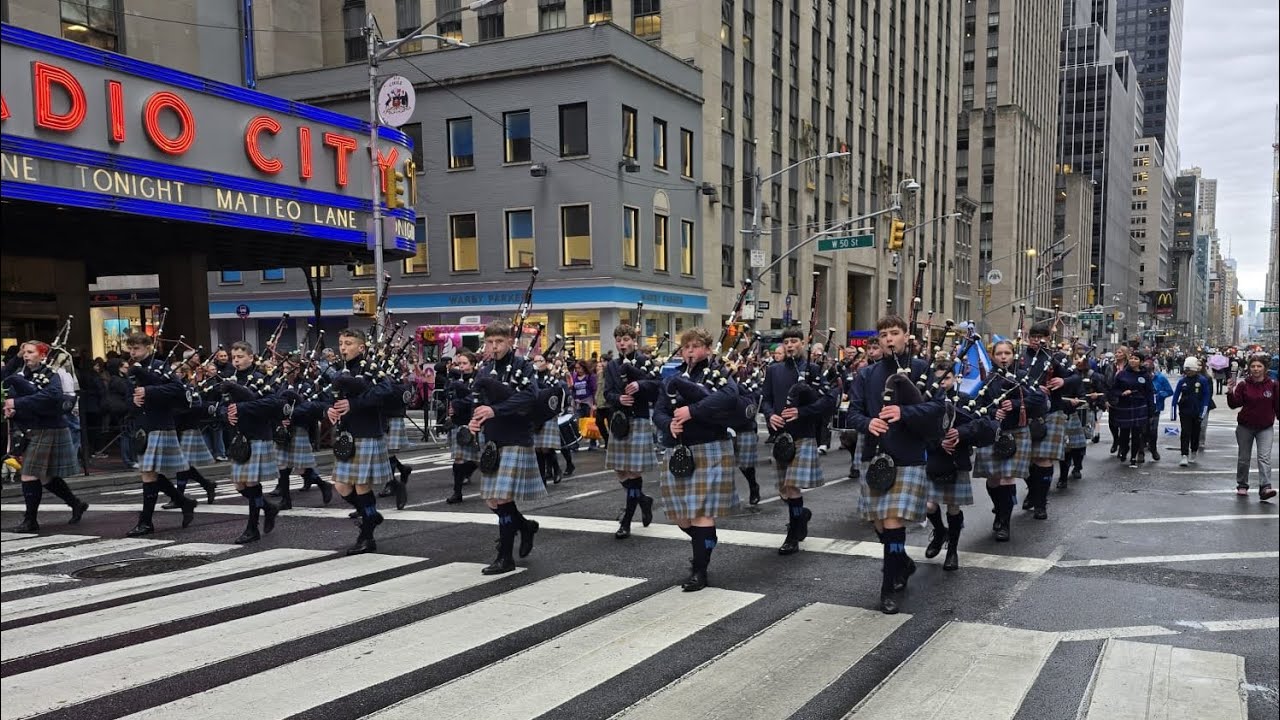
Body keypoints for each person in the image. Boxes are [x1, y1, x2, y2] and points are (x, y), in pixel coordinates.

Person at [846, 316, 947, 614]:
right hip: (875, 456)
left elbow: (938, 408)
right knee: (879, 523)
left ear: (906, 336)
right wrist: (868, 423)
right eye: (883, 334)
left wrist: (904, 412)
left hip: (908, 454)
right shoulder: (867, 374)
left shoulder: (922, 369)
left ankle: (888, 587)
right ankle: (901, 562)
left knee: (892, 522)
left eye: (894, 333)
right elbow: (852, 413)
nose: (889, 339)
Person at [652, 327, 740, 591]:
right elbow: (659, 411)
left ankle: (699, 571)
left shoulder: (718, 373)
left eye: (695, 346)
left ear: (708, 349)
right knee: (682, 518)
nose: (689, 351)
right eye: (686, 347)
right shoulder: (673, 377)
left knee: (701, 514)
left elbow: (729, 397)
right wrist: (668, 424)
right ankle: (706, 541)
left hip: (709, 447)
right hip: (678, 450)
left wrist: (692, 411)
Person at [468, 321, 543, 575]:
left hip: (515, 436)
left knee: (502, 497)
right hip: (492, 438)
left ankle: (505, 557)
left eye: (499, 341)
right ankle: (525, 526)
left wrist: (495, 410)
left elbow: (530, 396)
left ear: (510, 341)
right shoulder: (485, 369)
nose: (494, 347)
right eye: (490, 342)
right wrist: (474, 418)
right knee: (492, 500)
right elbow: (477, 399)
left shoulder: (523, 366)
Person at [762, 327, 838, 555]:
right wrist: (770, 415)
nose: (790, 345)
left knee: (792, 487)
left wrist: (801, 412)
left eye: (794, 341)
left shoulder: (812, 369)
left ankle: (793, 535)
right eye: (786, 342)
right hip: (780, 437)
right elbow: (765, 400)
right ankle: (801, 516)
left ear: (803, 343)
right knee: (784, 490)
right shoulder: (773, 370)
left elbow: (828, 401)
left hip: (803, 435)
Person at [2, 341, 90, 533]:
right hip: (32, 429)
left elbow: (51, 397)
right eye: (24, 352)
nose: (26, 355)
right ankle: (76, 504)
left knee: (28, 474)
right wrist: (13, 409)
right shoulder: (21, 373)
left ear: (42, 356)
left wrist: (17, 403)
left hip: (48, 427)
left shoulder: (51, 374)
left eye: (30, 352)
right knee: (45, 477)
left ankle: (30, 520)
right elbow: (4, 379)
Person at [322, 329, 396, 554]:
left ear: (361, 347)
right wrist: (329, 409)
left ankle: (367, 537)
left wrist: (354, 404)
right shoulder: (339, 371)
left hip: (366, 433)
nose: (343, 347)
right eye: (341, 343)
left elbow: (386, 391)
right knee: (342, 486)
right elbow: (329, 397)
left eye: (349, 343)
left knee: (362, 486)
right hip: (347, 434)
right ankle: (370, 515)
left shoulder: (371, 368)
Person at [923, 354, 997, 571]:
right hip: (935, 458)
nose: (942, 383)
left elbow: (981, 424)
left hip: (957, 460)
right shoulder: (927, 401)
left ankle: (952, 550)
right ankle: (940, 532)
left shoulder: (965, 400)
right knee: (928, 505)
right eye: (939, 379)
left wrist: (960, 433)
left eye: (946, 378)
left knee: (953, 508)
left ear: (955, 378)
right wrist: (938, 442)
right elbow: (919, 430)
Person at [971, 339, 1047, 542]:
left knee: (1007, 478)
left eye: (1007, 353)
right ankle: (1000, 508)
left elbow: (1039, 398)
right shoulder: (987, 380)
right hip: (992, 433)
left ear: (1014, 355)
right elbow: (976, 405)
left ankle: (1004, 523)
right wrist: (992, 413)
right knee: (993, 480)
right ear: (992, 356)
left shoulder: (1022, 377)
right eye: (999, 354)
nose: (1003, 357)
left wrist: (1016, 404)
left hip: (1017, 432)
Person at [122, 333, 197, 536]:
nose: (133, 352)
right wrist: (133, 402)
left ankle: (146, 522)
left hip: (160, 423)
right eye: (130, 349)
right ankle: (184, 502)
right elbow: (128, 398)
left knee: (148, 473)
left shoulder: (159, 366)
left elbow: (177, 389)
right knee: (150, 472)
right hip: (142, 426)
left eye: (136, 348)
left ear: (148, 347)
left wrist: (149, 392)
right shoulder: (132, 370)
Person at [216, 341, 283, 544]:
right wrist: (226, 414)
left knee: (252, 483)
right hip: (239, 437)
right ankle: (268, 507)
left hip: (258, 434)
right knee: (239, 485)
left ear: (251, 357)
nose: (236, 360)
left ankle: (252, 528)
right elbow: (221, 405)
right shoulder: (231, 379)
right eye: (234, 357)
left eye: (240, 356)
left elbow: (273, 403)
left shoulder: (263, 378)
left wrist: (243, 409)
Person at [603, 324, 661, 539]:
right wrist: (618, 398)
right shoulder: (612, 365)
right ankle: (643, 500)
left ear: (634, 341)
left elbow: (657, 387)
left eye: (626, 339)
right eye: (618, 340)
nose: (622, 344)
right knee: (620, 471)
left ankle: (626, 521)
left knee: (634, 472)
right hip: (619, 421)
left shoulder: (645, 362)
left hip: (638, 419)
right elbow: (607, 393)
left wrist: (640, 386)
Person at [1020, 322, 1077, 519]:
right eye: (1034, 337)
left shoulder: (1057, 357)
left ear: (1048, 338)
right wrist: (1032, 388)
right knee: (1026, 460)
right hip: (1025, 413)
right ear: (1028, 337)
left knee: (1043, 459)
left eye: (1041, 337)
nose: (1037, 340)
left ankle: (1041, 503)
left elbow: (1075, 377)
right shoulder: (1020, 358)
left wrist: (1063, 381)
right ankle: (1033, 491)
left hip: (1051, 411)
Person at [1226, 355, 1278, 500]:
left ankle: (1265, 487)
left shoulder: (1273, 385)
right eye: (1253, 366)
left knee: (1264, 457)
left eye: (1259, 366)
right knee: (1244, 458)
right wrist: (1230, 391)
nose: (1256, 369)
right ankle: (1242, 484)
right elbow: (1234, 404)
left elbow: (1277, 405)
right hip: (1245, 427)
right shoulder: (1244, 385)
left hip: (1265, 427)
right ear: (1249, 368)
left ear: (1265, 369)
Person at [444, 352, 481, 504]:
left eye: (465, 363)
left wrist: (457, 404)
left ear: (472, 364)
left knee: (480, 458)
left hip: (475, 421)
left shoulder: (479, 378)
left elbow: (474, 397)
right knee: (458, 458)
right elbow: (449, 394)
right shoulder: (456, 379)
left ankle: (471, 469)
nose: (461, 367)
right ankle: (457, 492)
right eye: (459, 364)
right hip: (459, 422)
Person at [1108, 351, 1154, 469]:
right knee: (1124, 433)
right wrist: (1122, 393)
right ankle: (1124, 449)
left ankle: (1133, 457)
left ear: (1141, 362)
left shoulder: (1145, 376)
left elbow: (1149, 393)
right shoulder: (1122, 374)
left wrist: (1151, 409)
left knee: (1136, 434)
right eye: (1131, 358)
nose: (1133, 361)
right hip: (1125, 406)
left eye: (1136, 359)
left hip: (1139, 406)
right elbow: (1113, 389)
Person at [1171, 357, 1212, 466]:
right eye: (1187, 370)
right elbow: (1176, 395)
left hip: (1197, 411)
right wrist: (1173, 412)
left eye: (1190, 370)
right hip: (1185, 411)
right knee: (1185, 432)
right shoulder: (1182, 381)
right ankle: (1184, 455)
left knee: (1195, 433)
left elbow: (1206, 397)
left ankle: (1194, 450)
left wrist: (1203, 412)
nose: (1188, 372)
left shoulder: (1202, 380)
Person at [1146, 355, 1173, 462]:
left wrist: (1160, 394)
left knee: (1153, 430)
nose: (1149, 374)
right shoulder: (1141, 378)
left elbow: (1169, 391)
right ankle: (1140, 451)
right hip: (1143, 407)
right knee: (1142, 430)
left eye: (1150, 372)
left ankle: (1153, 449)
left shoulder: (1161, 378)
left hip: (1156, 408)